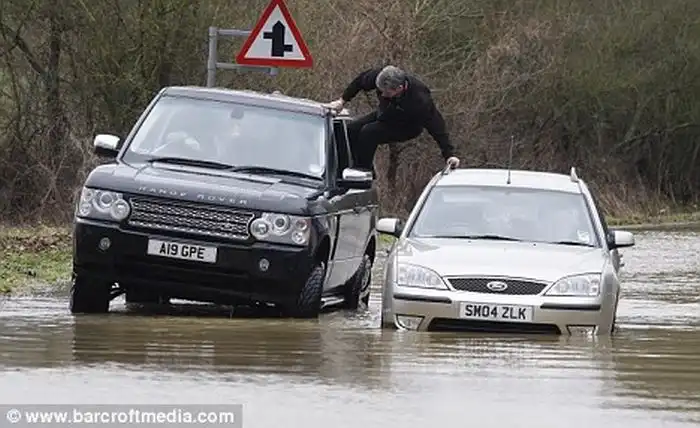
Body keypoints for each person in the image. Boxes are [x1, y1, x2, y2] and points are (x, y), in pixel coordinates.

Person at [327, 65, 460, 172]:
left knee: (369, 132)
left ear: (399, 88)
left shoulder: (419, 100)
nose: (383, 95)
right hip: (386, 114)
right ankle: (346, 168)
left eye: (387, 92)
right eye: (380, 91)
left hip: (407, 126)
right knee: (351, 129)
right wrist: (342, 100)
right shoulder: (381, 76)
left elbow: (436, 125)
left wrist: (449, 154)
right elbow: (360, 81)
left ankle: (363, 172)